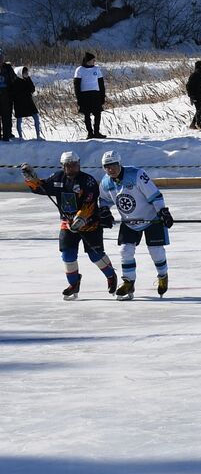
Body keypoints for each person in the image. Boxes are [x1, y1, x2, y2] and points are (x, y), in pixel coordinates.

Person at [21, 151, 118, 299]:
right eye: (68, 165)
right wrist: (31, 178)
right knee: (68, 255)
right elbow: (42, 188)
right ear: (63, 166)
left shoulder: (88, 181)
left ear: (79, 164)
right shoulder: (57, 177)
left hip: (89, 225)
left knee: (95, 256)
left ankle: (111, 276)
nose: (72, 168)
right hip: (67, 224)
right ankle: (74, 284)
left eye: (74, 165)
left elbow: (90, 202)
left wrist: (80, 219)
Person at [98, 151, 172, 299]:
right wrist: (105, 212)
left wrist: (163, 211)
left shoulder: (136, 174)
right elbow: (104, 200)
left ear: (119, 164)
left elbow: (154, 194)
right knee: (125, 251)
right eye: (107, 166)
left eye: (113, 165)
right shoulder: (106, 182)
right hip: (129, 221)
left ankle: (163, 276)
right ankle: (128, 282)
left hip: (151, 218)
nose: (110, 169)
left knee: (156, 251)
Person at [74, 51, 106, 138]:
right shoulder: (79, 70)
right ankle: (90, 133)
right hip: (85, 95)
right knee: (87, 115)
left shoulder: (97, 69)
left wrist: (102, 96)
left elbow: (101, 84)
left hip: (96, 94)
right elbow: (76, 85)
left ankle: (97, 132)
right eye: (93, 60)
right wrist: (79, 98)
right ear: (88, 61)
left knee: (98, 114)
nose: (94, 62)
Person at [11, 65, 39, 139]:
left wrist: (28, 81)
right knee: (19, 120)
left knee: (36, 116)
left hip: (29, 102)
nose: (26, 74)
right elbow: (14, 93)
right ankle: (20, 137)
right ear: (21, 73)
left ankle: (38, 136)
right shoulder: (15, 80)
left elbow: (32, 89)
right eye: (25, 72)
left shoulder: (28, 79)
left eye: (27, 72)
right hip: (19, 103)